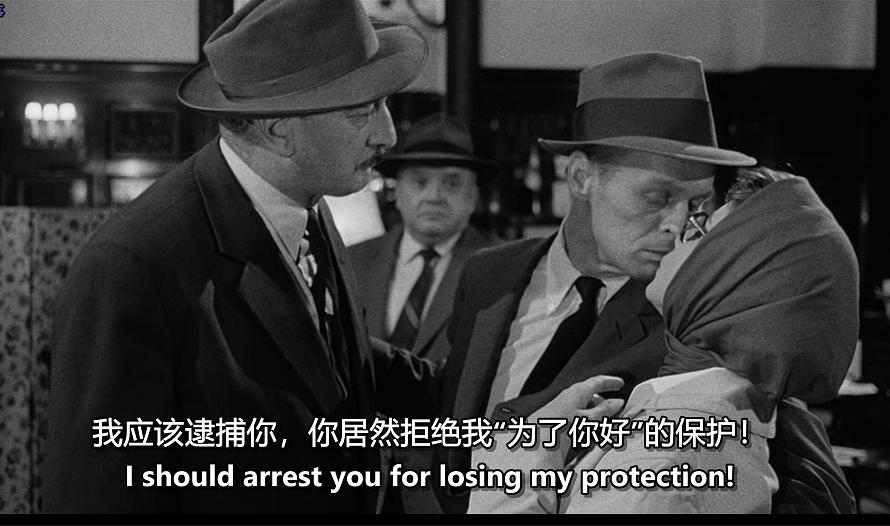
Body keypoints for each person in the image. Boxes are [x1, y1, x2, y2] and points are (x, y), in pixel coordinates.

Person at [44, 0, 433, 513]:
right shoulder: (133, 266)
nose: (388, 134)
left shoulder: (308, 203)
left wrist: (500, 373)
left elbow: (326, 362)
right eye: (362, 111)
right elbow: (97, 495)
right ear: (279, 130)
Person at [433, 52, 757, 513]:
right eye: (657, 195)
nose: (678, 224)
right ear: (581, 176)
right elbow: (454, 392)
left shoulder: (692, 317)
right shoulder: (490, 272)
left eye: (696, 204)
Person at [468, 167, 859, 513]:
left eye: (700, 230)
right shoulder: (695, 416)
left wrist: (519, 463)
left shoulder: (673, 454)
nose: (679, 231)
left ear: (730, 277)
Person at [349, 113, 500, 513]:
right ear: (397, 192)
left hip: (447, 491)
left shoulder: (506, 272)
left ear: (474, 195)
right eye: (419, 182)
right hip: (354, 484)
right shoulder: (349, 261)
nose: (434, 196)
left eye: (451, 183)